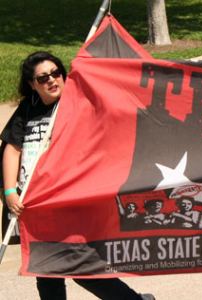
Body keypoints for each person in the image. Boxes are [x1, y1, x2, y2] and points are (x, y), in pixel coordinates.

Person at [1, 51, 154, 300]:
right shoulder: (28, 107)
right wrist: (10, 191)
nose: (51, 80)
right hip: (36, 204)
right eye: (42, 78)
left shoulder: (79, 103)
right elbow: (12, 148)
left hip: (69, 201)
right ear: (32, 84)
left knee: (82, 267)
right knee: (46, 269)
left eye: (56, 73)